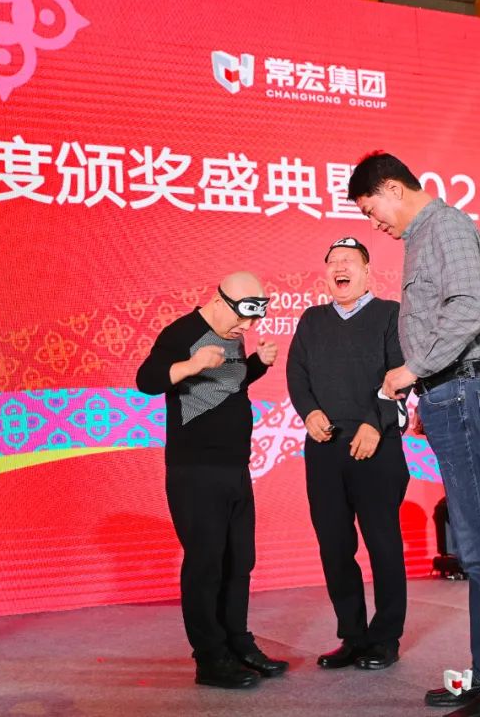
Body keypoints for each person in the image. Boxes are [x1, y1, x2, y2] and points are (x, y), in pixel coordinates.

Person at [348, 153, 480, 717]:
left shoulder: (445, 225)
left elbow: (469, 306)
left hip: (466, 392)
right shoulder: (424, 236)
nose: (373, 223)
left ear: (391, 187)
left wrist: (416, 370)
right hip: (452, 394)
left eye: (370, 209)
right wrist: (428, 390)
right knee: (475, 549)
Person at [136, 271, 289, 689]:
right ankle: (210, 658)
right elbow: (146, 380)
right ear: (220, 302)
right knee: (206, 565)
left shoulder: (233, 334)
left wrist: (257, 364)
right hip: (196, 471)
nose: (246, 327)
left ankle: (237, 642)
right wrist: (190, 365)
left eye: (253, 320)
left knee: (239, 561)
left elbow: (227, 385)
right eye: (242, 318)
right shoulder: (182, 333)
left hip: (236, 468)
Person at [286, 237, 410, 673]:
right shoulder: (312, 319)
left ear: (367, 272)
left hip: (377, 446)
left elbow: (401, 374)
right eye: (333, 262)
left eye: (348, 261)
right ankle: (353, 636)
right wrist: (309, 412)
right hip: (324, 447)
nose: (340, 268)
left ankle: (386, 638)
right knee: (334, 545)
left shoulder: (390, 314)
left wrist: (375, 423)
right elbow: (296, 372)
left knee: (383, 543)